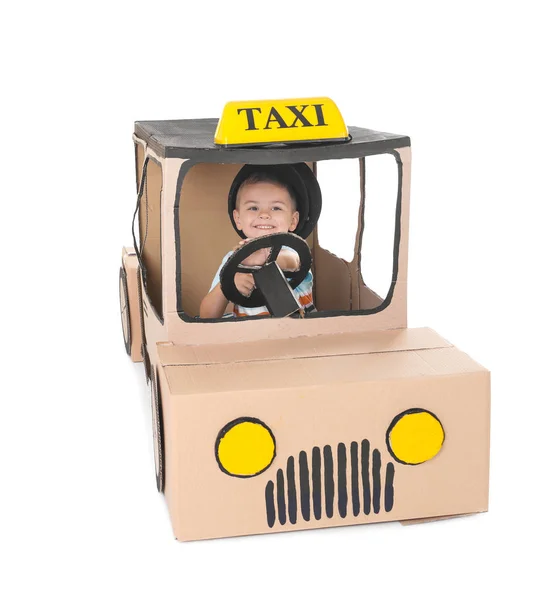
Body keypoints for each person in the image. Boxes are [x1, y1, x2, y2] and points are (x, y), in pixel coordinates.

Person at [199, 169, 314, 319]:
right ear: (238, 218)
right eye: (253, 208)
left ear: (293, 221)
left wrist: (267, 258)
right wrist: (227, 286)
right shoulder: (233, 261)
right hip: (251, 338)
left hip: (301, 335)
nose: (264, 214)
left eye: (276, 208)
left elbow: (294, 261)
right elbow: (207, 316)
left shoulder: (294, 250)